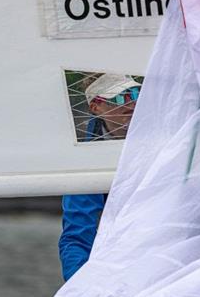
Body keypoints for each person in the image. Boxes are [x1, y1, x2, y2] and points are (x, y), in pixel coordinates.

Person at [59, 74, 141, 281]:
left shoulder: (166, 141)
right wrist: (78, 289)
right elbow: (77, 236)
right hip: (116, 265)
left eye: (135, 93)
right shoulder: (85, 161)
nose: (131, 103)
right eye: (119, 98)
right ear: (96, 108)